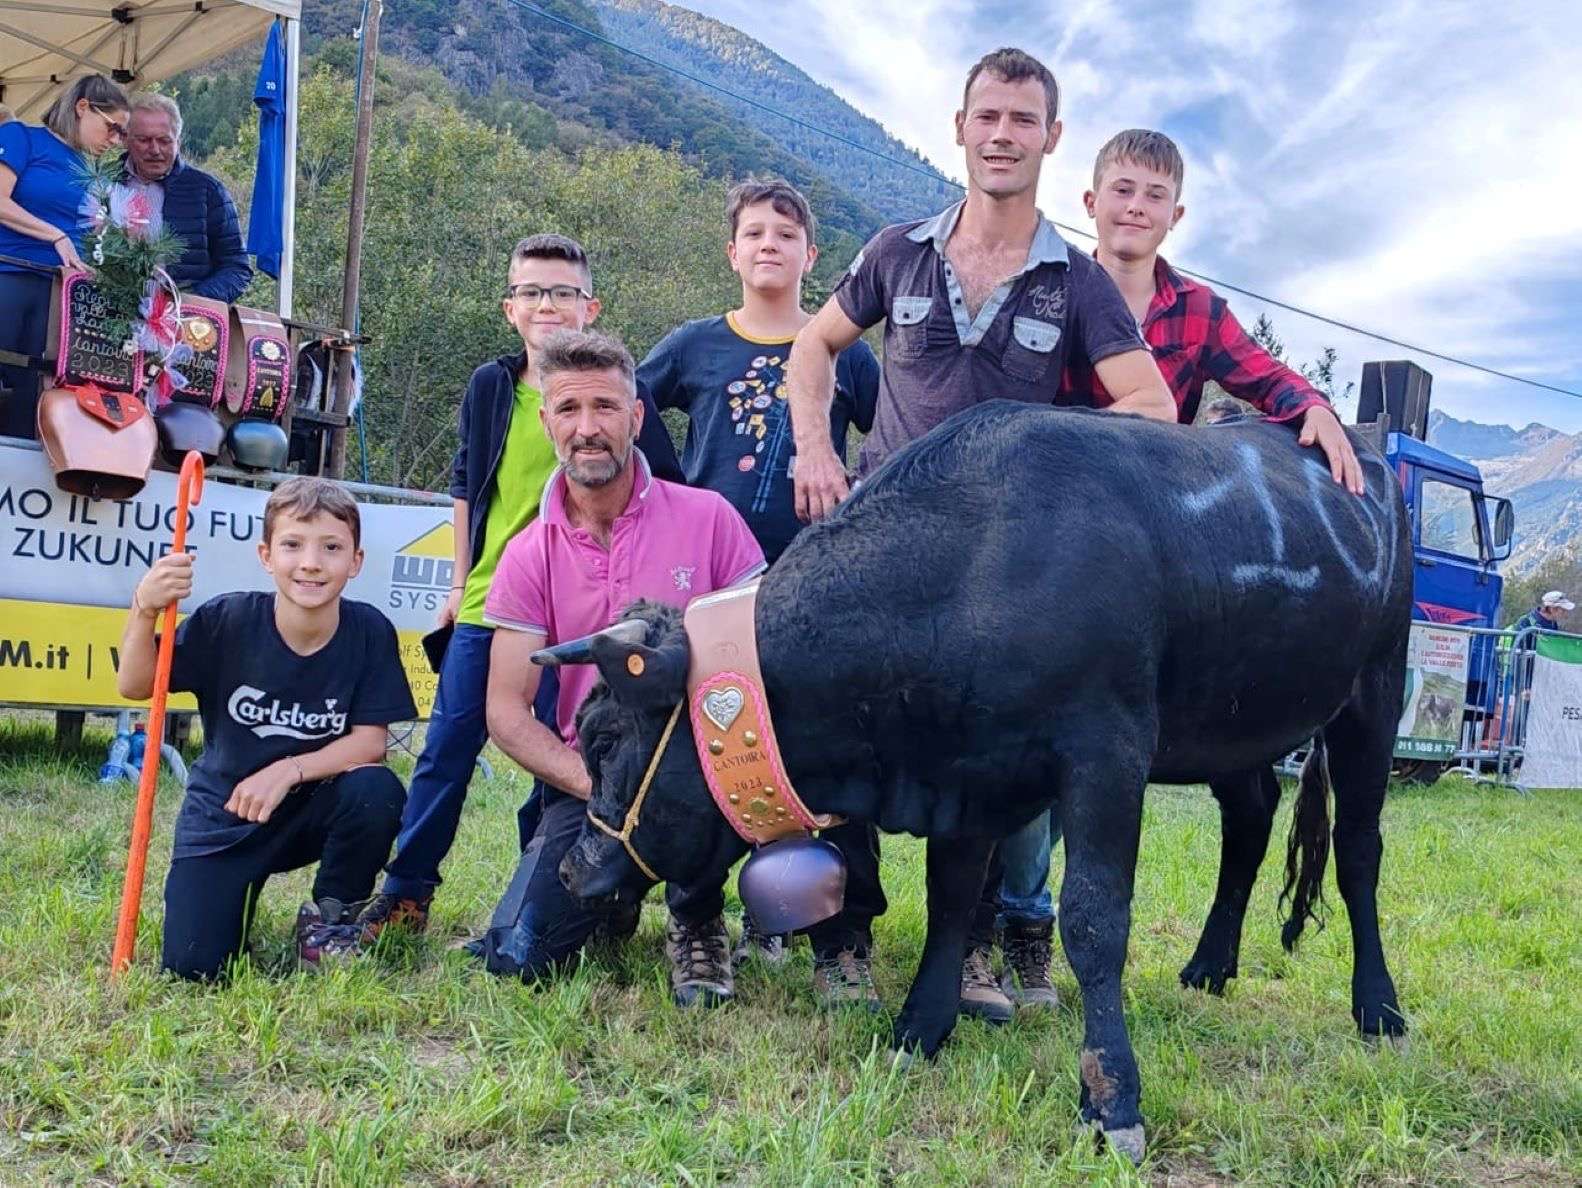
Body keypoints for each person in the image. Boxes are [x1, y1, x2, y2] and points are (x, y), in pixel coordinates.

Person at [786, 47, 1176, 1024]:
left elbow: (1151, 404)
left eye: (1022, 120)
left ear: (1050, 139)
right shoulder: (894, 252)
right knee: (852, 744)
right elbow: (811, 345)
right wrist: (814, 451)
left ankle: (970, 956)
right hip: (881, 553)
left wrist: (1037, 450)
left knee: (1000, 767)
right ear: (959, 128)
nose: (1002, 135)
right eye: (986, 117)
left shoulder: (1077, 282)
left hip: (1004, 581)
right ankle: (842, 941)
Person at [994, 128, 1364, 1006]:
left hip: (1144, 562)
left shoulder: (1196, 311)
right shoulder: (1049, 293)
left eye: (1153, 196)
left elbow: (1263, 378)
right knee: (1020, 748)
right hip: (1042, 555)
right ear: (1090, 203)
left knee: (1094, 746)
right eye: (1120, 190)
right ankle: (1004, 919)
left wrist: (1313, 408)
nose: (1134, 208)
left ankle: (1032, 925)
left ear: (1175, 214)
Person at [356, 234, 680, 942]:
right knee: (446, 751)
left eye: (562, 292)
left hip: (578, 615)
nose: (547, 304)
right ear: (510, 307)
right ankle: (407, 893)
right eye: (532, 291)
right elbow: (468, 484)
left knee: (557, 759)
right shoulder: (491, 386)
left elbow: (663, 494)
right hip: (487, 606)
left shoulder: (621, 397)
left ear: (590, 307)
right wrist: (456, 580)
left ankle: (553, 895)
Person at [636, 177, 887, 985]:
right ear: (732, 251)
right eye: (754, 232)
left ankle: (841, 938)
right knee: (712, 753)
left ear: (812, 255)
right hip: (715, 595)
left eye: (786, 233)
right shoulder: (695, 344)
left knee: (831, 758)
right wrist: (678, 491)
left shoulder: (847, 353)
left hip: (821, 592)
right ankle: (700, 919)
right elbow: (629, 412)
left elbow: (890, 447)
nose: (769, 244)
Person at [481, 328, 765, 1006]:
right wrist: (607, 796)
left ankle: (699, 917)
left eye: (606, 408)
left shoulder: (712, 518)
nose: (588, 428)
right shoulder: (526, 553)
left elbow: (761, 660)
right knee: (521, 958)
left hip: (705, 775)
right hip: (594, 785)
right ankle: (618, 898)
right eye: (570, 410)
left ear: (637, 417)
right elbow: (505, 711)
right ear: (547, 422)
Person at [118, 477, 417, 980]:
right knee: (195, 969)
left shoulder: (369, 631)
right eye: (293, 545)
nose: (311, 563)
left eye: (331, 547)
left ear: (356, 561)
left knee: (376, 789)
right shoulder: (226, 621)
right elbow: (135, 685)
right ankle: (231, 893)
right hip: (226, 816)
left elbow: (370, 744)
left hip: (311, 808)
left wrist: (287, 770)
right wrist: (143, 607)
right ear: (266, 555)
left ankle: (330, 921)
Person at [0, 74, 129, 440]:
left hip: (62, 294)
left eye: (122, 134)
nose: (116, 140)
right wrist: (53, 234)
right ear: (82, 107)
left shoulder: (94, 173)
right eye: (112, 128)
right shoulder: (21, 137)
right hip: (10, 272)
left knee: (38, 388)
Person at [123, 93, 252, 302]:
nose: (154, 150)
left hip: (183, 323)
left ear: (178, 142)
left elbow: (236, 267)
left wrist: (192, 301)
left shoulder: (208, 191)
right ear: (126, 140)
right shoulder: (104, 184)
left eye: (164, 141)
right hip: (110, 317)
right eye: (144, 140)